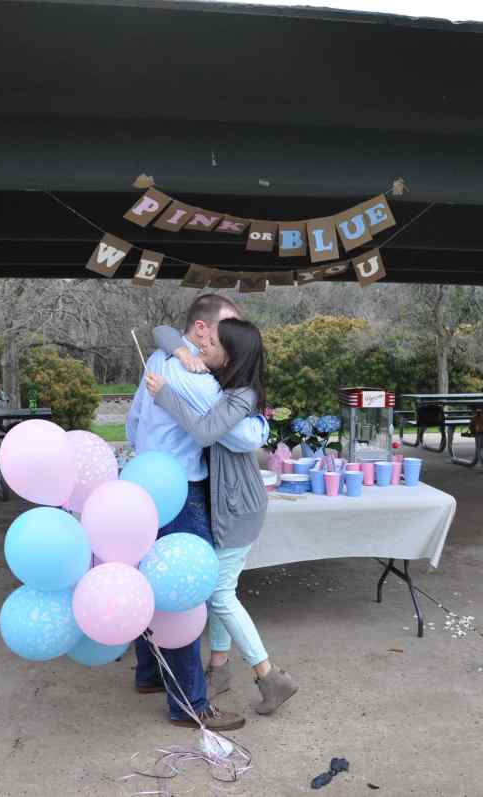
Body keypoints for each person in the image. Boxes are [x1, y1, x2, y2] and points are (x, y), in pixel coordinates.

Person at [148, 319, 299, 716]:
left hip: (238, 507)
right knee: (219, 589)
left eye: (212, 343)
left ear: (230, 356)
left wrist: (165, 395)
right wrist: (182, 352)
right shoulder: (220, 383)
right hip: (227, 503)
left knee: (219, 593)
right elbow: (162, 332)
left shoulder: (241, 397)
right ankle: (219, 669)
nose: (204, 346)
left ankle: (269, 675)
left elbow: (204, 431)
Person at [126, 294, 261, 732]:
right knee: (183, 590)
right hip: (182, 490)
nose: (232, 336)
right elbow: (243, 438)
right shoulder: (196, 378)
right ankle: (190, 703)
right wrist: (260, 422)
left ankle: (149, 674)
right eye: (227, 327)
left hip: (145, 482)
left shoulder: (157, 359)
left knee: (151, 580)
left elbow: (132, 423)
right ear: (202, 329)